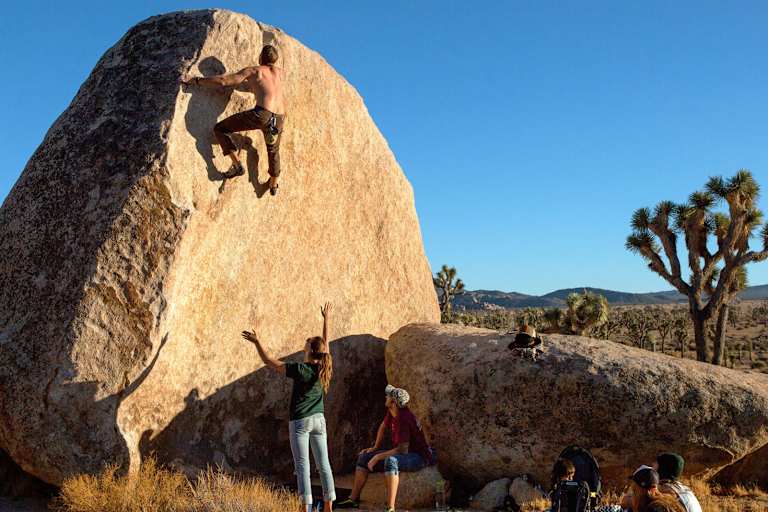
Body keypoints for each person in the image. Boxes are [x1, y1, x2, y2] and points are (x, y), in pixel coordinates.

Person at [241, 303, 335, 512]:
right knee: (324, 464)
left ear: (310, 351)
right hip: (319, 421)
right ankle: (328, 505)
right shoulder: (324, 367)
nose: (303, 345)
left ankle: (305, 507)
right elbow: (326, 346)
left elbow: (269, 361)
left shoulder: (300, 369)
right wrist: (326, 319)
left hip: (301, 421)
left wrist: (257, 342)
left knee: (302, 466)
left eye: (306, 344)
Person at [183, 44, 286, 195]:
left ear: (260, 58)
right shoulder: (281, 74)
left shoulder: (255, 71)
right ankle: (273, 183)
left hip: (261, 114)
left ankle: (237, 165)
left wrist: (196, 80)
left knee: (220, 129)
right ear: (275, 60)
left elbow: (223, 81)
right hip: (279, 118)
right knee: (273, 150)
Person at [336, 385, 436, 512]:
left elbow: (402, 450)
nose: (385, 397)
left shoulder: (404, 418)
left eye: (388, 396)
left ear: (393, 403)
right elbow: (383, 426)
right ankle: (353, 499)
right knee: (364, 458)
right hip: (406, 453)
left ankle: (390, 508)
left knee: (391, 461)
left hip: (419, 456)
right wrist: (375, 448)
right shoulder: (392, 412)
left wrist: (377, 457)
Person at [621, 466, 685, 512]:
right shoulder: (666, 501)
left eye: (634, 490)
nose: (632, 494)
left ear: (640, 489)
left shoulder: (655, 508)